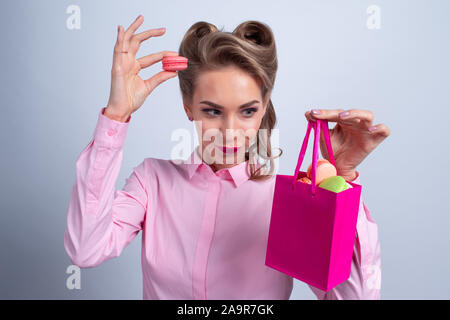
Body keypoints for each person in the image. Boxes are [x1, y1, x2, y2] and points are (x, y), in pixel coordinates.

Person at [64, 15, 390, 299]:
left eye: (247, 111)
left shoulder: (287, 199)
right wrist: (117, 115)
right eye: (213, 111)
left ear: (262, 110)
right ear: (188, 106)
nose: (230, 130)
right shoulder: (152, 182)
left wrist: (341, 181)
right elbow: (85, 249)